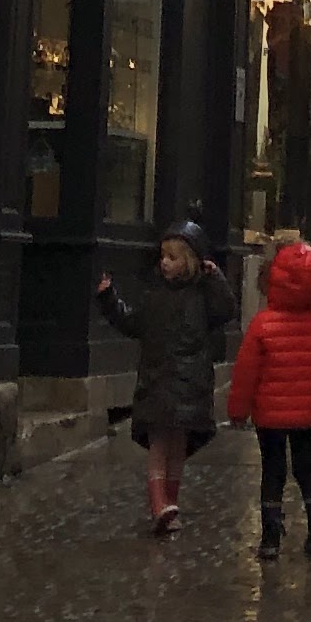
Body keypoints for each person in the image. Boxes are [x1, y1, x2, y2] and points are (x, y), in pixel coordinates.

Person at [95, 220, 236, 533]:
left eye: (172, 257)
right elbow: (131, 322)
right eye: (163, 256)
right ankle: (159, 504)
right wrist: (109, 299)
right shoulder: (154, 296)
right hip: (158, 382)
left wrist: (215, 278)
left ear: (189, 261)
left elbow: (226, 309)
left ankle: (170, 503)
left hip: (189, 384)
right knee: (159, 445)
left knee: (177, 447)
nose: (164, 263)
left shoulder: (201, 296)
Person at [227, 234, 311, 560]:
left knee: (273, 471)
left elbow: (245, 373)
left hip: (269, 417)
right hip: (305, 415)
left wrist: (237, 410)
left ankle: (270, 537)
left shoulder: (262, 325)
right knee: (308, 468)